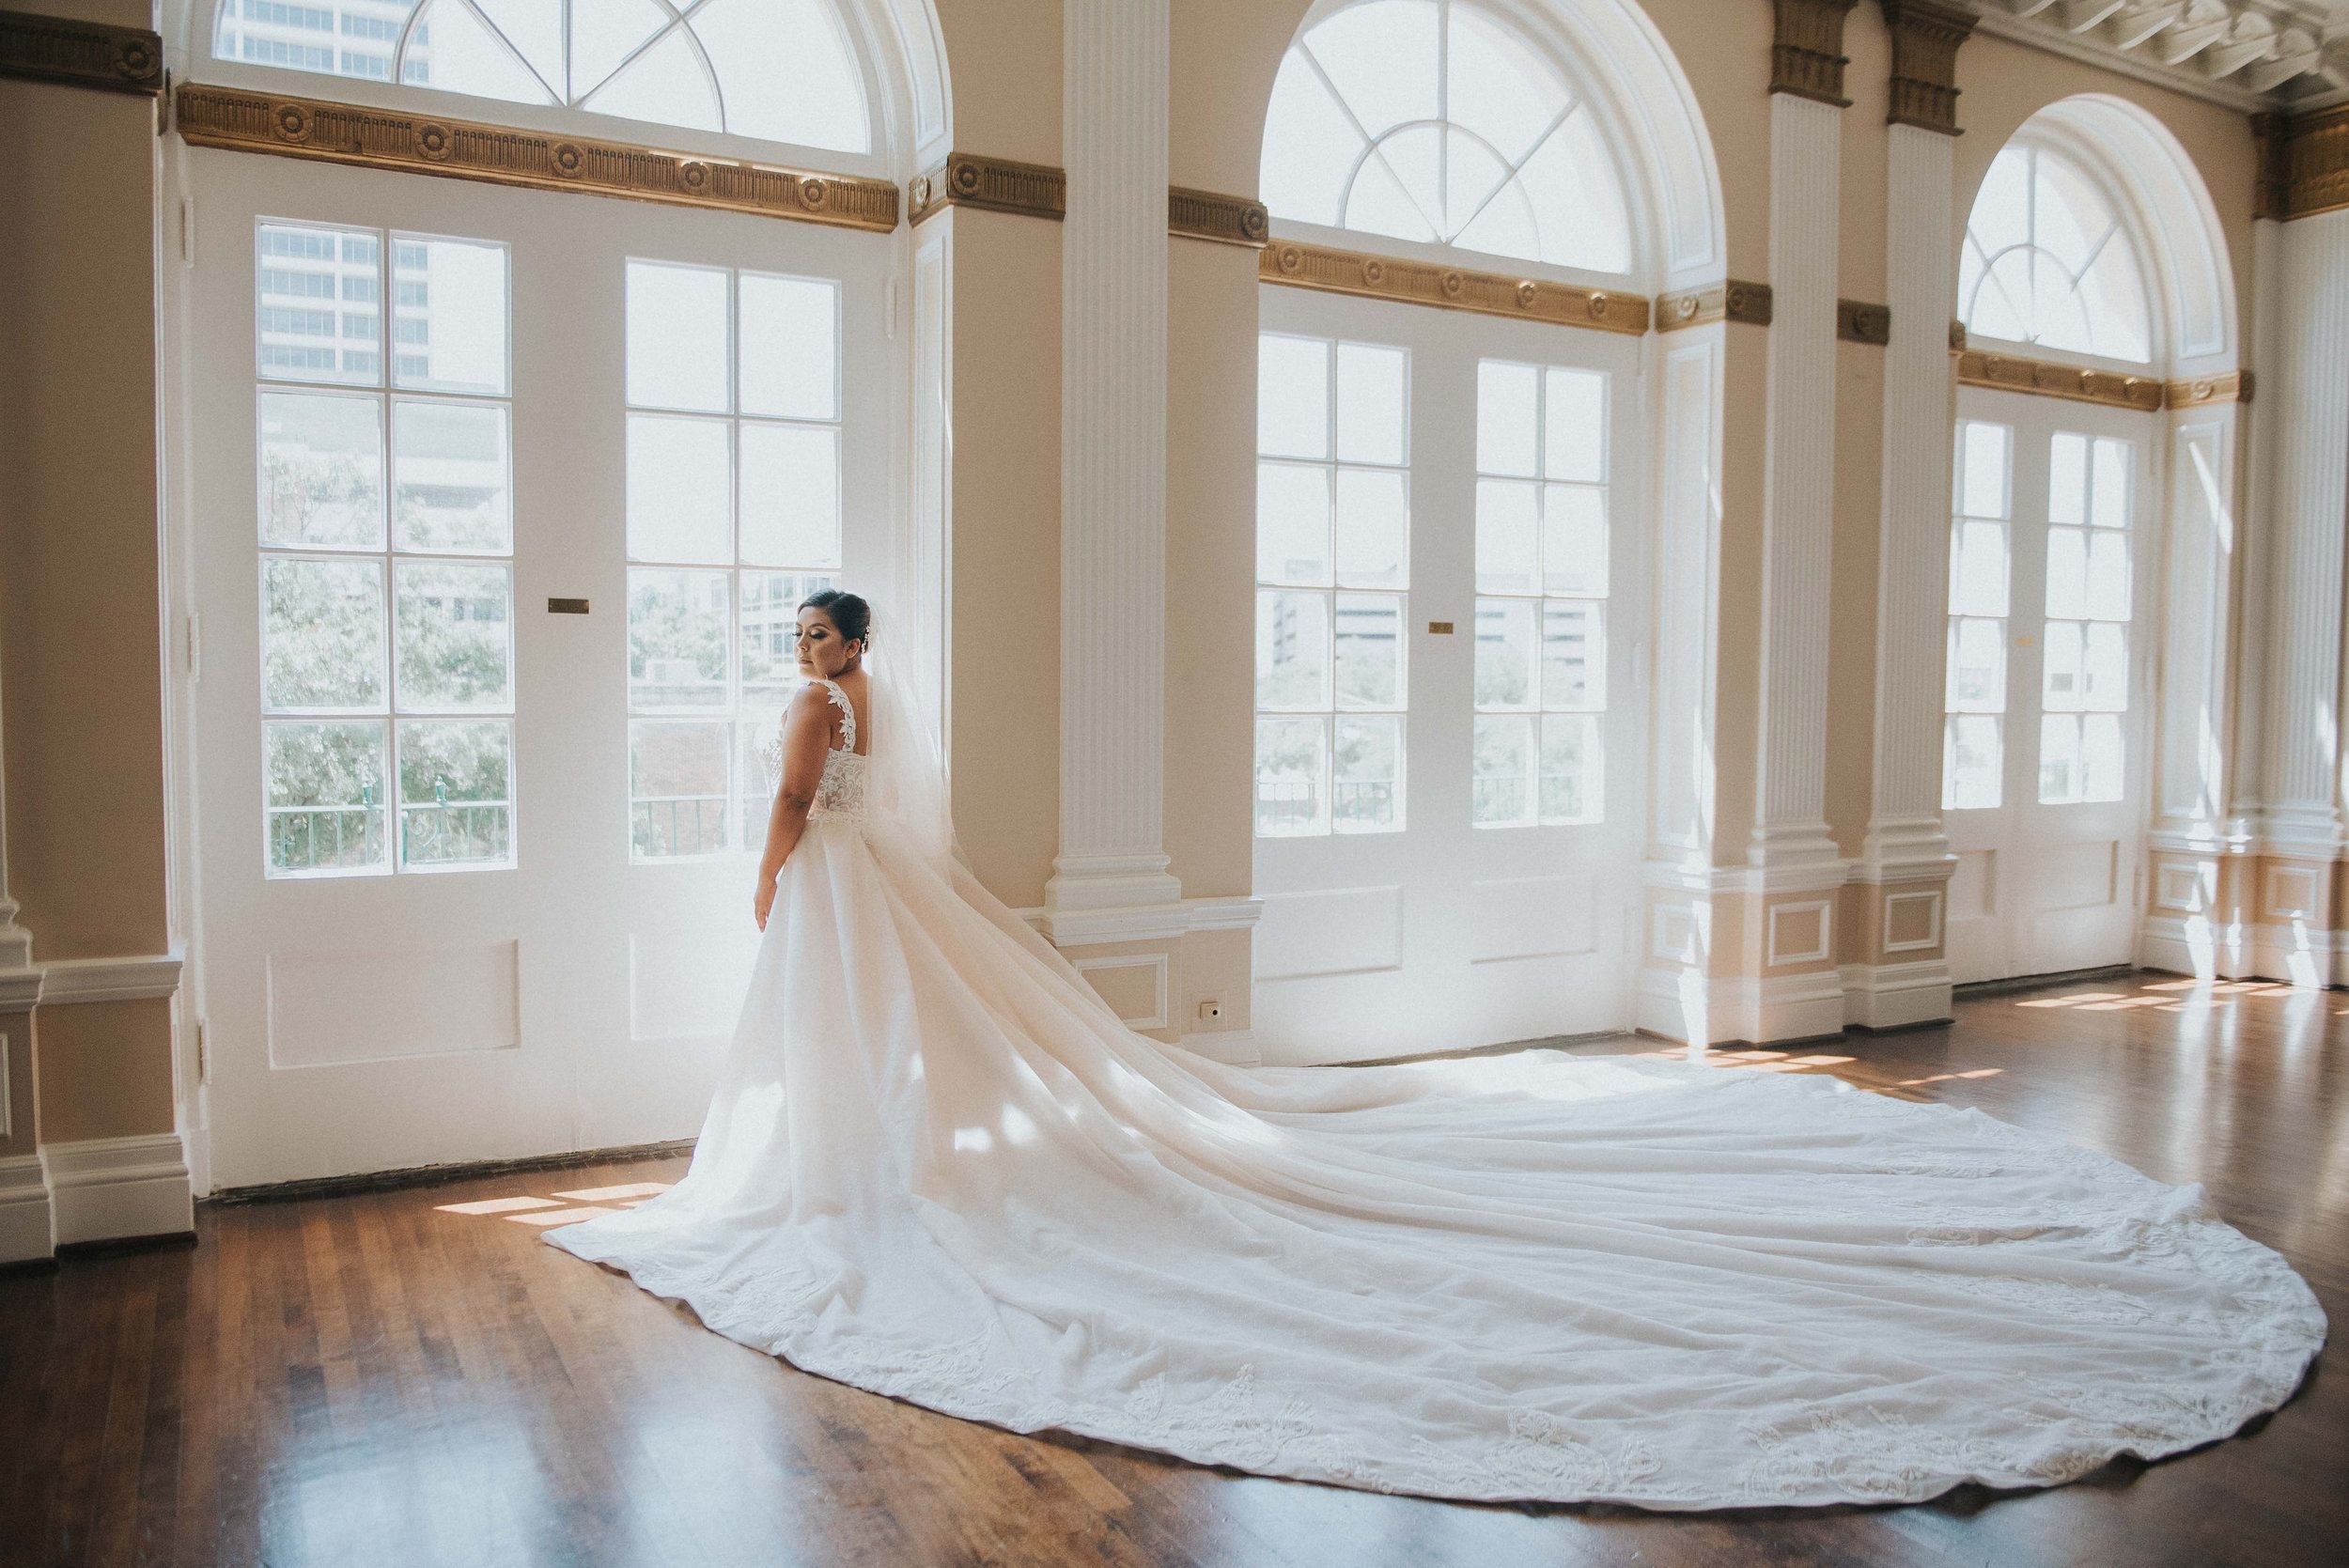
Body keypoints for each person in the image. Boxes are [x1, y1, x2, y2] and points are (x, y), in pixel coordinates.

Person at [548, 588, 2323, 1509]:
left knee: (857, 1026)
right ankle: (863, 1161)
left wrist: (770, 872)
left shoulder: (812, 715)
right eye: (802, 633)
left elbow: (790, 807)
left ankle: (846, 1172)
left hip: (842, 885)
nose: (805, 651)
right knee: (890, 1031)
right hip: (881, 885)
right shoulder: (864, 699)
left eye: (815, 629)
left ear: (843, 645)